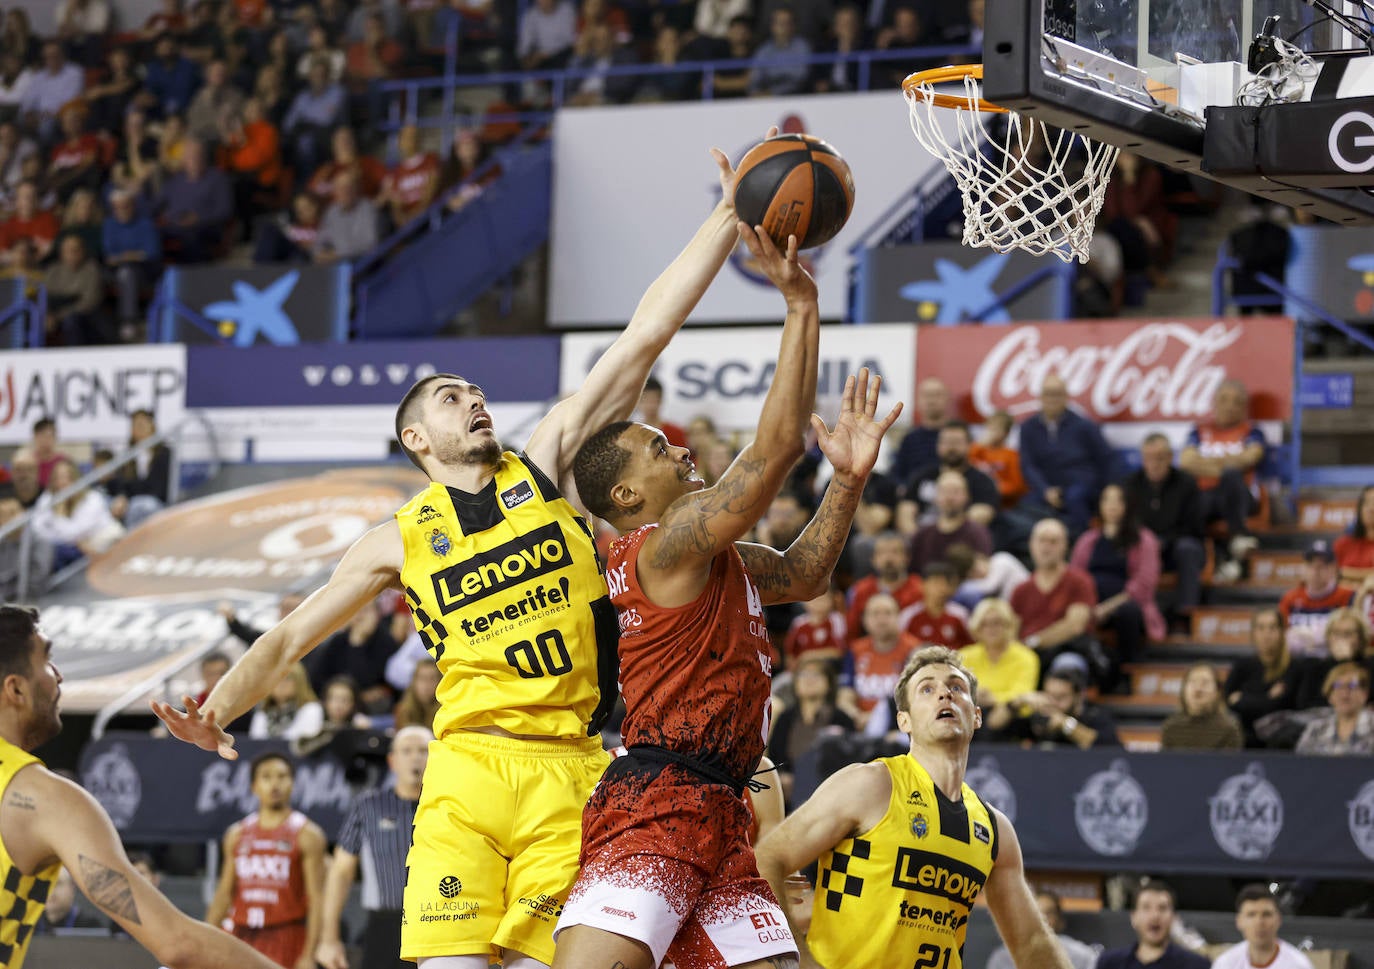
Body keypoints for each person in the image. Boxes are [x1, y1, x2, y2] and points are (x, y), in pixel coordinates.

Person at [155, 134, 772, 969]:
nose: (474, 401)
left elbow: (643, 335)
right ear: (418, 435)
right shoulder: (397, 538)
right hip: (463, 773)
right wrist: (216, 709)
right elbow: (288, 639)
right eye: (453, 397)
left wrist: (727, 217)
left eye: (477, 393)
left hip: (574, 766)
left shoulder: (543, 462)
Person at [553, 205, 900, 968]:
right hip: (656, 800)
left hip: (727, 807)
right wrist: (802, 304)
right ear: (624, 498)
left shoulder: (715, 557)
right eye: (656, 448)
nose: (677, 448)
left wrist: (845, 480)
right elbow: (774, 449)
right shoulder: (663, 547)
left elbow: (807, 575)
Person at [0, 606, 295, 968]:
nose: (58, 676)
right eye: (46, 660)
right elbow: (178, 944)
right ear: (15, 688)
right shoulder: (42, 797)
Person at [755, 647, 1074, 969]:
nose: (944, 694)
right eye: (927, 689)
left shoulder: (995, 829)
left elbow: (1031, 942)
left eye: (957, 687)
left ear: (977, 716)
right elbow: (767, 859)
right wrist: (802, 961)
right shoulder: (871, 784)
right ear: (903, 720)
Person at [317, 725, 432, 969]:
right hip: (384, 925)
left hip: (437, 922)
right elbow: (340, 872)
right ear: (392, 761)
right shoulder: (369, 805)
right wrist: (328, 937)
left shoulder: (451, 806)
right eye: (407, 751)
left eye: (423, 750)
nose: (415, 757)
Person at [207, 752, 327, 969]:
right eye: (266, 777)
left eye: (282, 776)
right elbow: (224, 893)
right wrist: (204, 942)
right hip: (240, 932)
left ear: (292, 784)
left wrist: (309, 954)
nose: (275, 784)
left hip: (286, 935)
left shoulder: (308, 834)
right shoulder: (236, 834)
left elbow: (317, 900)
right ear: (253, 786)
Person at [1179, 380, 1267, 581]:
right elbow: (1186, 461)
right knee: (1194, 498)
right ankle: (1214, 559)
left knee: (1231, 476)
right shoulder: (1199, 431)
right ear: (1215, 403)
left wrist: (1207, 464)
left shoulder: (1252, 431)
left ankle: (1238, 538)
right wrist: (1227, 463)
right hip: (1208, 497)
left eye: (1237, 402)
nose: (1230, 406)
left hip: (1242, 497)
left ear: (1244, 408)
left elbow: (1251, 457)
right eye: (1225, 400)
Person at [1069, 483, 1164, 665]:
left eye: (1118, 500)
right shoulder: (1087, 540)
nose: (1112, 505)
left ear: (1128, 505)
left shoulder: (1144, 539)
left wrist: (1106, 608)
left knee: (1128, 612)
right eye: (1107, 500)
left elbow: (1144, 585)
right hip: (1091, 605)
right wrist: (1088, 608)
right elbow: (1075, 578)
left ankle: (1129, 668)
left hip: (1124, 605)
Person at [1009, 518, 1104, 685]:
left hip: (1066, 651)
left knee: (1066, 664)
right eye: (1042, 541)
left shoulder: (1079, 581)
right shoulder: (1021, 590)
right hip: (1030, 656)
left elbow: (1074, 626)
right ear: (1031, 545)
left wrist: (1034, 641)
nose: (1046, 547)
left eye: (1053, 541)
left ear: (1065, 546)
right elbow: (1012, 631)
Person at [1017, 373, 1115, 535]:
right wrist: (1045, 490)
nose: (1052, 399)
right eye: (1048, 394)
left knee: (1075, 499)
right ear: (1040, 397)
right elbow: (1028, 465)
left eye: (1058, 394)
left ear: (1066, 397)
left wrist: (1103, 488)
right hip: (1046, 487)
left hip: (1079, 485)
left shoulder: (1084, 426)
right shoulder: (1028, 427)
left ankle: (1081, 545)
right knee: (1025, 507)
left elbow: (1105, 459)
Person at [1120, 433, 1205, 615]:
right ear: (1142, 460)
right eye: (1149, 458)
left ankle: (1186, 613)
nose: (1155, 463)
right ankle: (1128, 611)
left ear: (1170, 457)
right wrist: (1147, 542)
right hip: (1141, 548)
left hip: (1175, 549)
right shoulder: (1130, 485)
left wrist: (1164, 541)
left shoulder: (1186, 484)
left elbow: (1194, 526)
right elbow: (1125, 523)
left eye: (1160, 458)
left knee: (1188, 549)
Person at [767, 655, 853, 804]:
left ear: (829, 683)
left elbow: (850, 758)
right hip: (790, 791)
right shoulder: (785, 718)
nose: (809, 680)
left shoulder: (842, 718)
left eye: (816, 675)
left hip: (831, 790)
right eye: (803, 675)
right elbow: (775, 754)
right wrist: (782, 775)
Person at [840, 592, 921, 734]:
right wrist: (857, 715)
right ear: (864, 620)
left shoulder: (914, 650)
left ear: (898, 617)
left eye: (888, 613)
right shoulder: (856, 650)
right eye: (875, 614)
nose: (881, 619)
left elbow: (917, 701)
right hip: (860, 725)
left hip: (899, 727)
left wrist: (876, 718)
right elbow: (845, 696)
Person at [1224, 609, 1301, 748]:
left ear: (1282, 632)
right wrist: (1268, 697)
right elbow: (1227, 701)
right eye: (1261, 628)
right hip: (1244, 739)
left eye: (1272, 628)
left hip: (1282, 743)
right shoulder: (1243, 665)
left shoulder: (1294, 667)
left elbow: (1282, 708)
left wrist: (1243, 699)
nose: (1267, 634)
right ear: (1253, 633)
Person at [961, 597, 1040, 734]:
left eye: (997, 623)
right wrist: (973, 696)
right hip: (971, 713)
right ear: (977, 628)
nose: (991, 629)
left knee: (1002, 713)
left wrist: (994, 699)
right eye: (984, 624)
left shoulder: (1026, 657)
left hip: (1010, 716)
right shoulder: (964, 656)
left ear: (1009, 626)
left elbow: (1022, 694)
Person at [1094, 880, 1208, 969]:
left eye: (1162, 908)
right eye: (1146, 908)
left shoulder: (1195, 965)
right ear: (1133, 917)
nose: (1155, 916)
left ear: (1174, 918)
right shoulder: (1110, 963)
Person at [999, 667, 1119, 749]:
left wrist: (1065, 724)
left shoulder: (1095, 715)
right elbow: (994, 727)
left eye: (1060, 697)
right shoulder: (1039, 717)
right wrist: (1018, 701)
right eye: (1049, 695)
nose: (1052, 702)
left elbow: (1109, 748)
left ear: (1078, 696)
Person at [907, 470, 994, 575]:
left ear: (967, 496)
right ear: (936, 497)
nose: (950, 498)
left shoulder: (977, 533)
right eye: (944, 491)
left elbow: (982, 570)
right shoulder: (922, 535)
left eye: (956, 492)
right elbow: (913, 573)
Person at [1278, 540, 1354, 656]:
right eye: (1311, 565)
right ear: (1303, 568)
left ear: (1334, 568)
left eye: (1322, 566)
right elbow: (1282, 634)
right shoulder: (1290, 598)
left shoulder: (1348, 596)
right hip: (1298, 662)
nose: (1316, 571)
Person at [986, 890, 1097, 969]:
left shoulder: (1082, 956)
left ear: (1060, 922)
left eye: (1048, 914)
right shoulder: (1003, 958)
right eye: (1034, 913)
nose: (1040, 920)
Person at [1210, 885, 1314, 969]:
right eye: (1251, 914)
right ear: (1239, 921)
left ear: (1278, 919)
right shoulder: (1225, 964)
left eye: (1266, 914)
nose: (1259, 922)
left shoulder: (1298, 965)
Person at [845, 531, 922, 643]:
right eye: (882, 553)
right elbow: (852, 634)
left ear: (907, 558)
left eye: (895, 552)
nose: (888, 558)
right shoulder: (860, 590)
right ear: (873, 560)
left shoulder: (919, 588)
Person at [1294, 661, 1374, 755]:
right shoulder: (1315, 730)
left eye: (1352, 686)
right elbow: (1300, 766)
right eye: (1338, 686)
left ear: (1364, 694)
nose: (1344, 694)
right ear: (1329, 695)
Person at [1159, 662, 1243, 750]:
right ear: (1183, 691)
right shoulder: (1171, 728)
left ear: (1217, 692)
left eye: (1205, 683)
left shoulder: (1229, 729)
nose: (1198, 689)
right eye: (1193, 682)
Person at [900, 561, 973, 650]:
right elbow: (901, 644)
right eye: (935, 583)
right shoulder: (909, 615)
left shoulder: (960, 614)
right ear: (923, 585)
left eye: (944, 584)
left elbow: (970, 646)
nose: (941, 589)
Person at [891, 377, 950, 483]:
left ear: (946, 399)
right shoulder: (909, 440)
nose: (931, 400)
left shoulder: (958, 436)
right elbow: (898, 476)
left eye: (937, 395)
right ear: (918, 400)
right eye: (927, 395)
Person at [248, 663, 324, 741]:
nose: (281, 683)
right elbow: (255, 743)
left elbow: (305, 744)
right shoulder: (262, 713)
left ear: (299, 682)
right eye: (277, 678)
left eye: (287, 678)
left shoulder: (311, 709)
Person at [1334, 485, 1374, 582]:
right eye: (1366, 503)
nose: (1371, 509)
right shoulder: (1343, 544)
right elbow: (1332, 576)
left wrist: (1345, 573)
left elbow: (1340, 573)